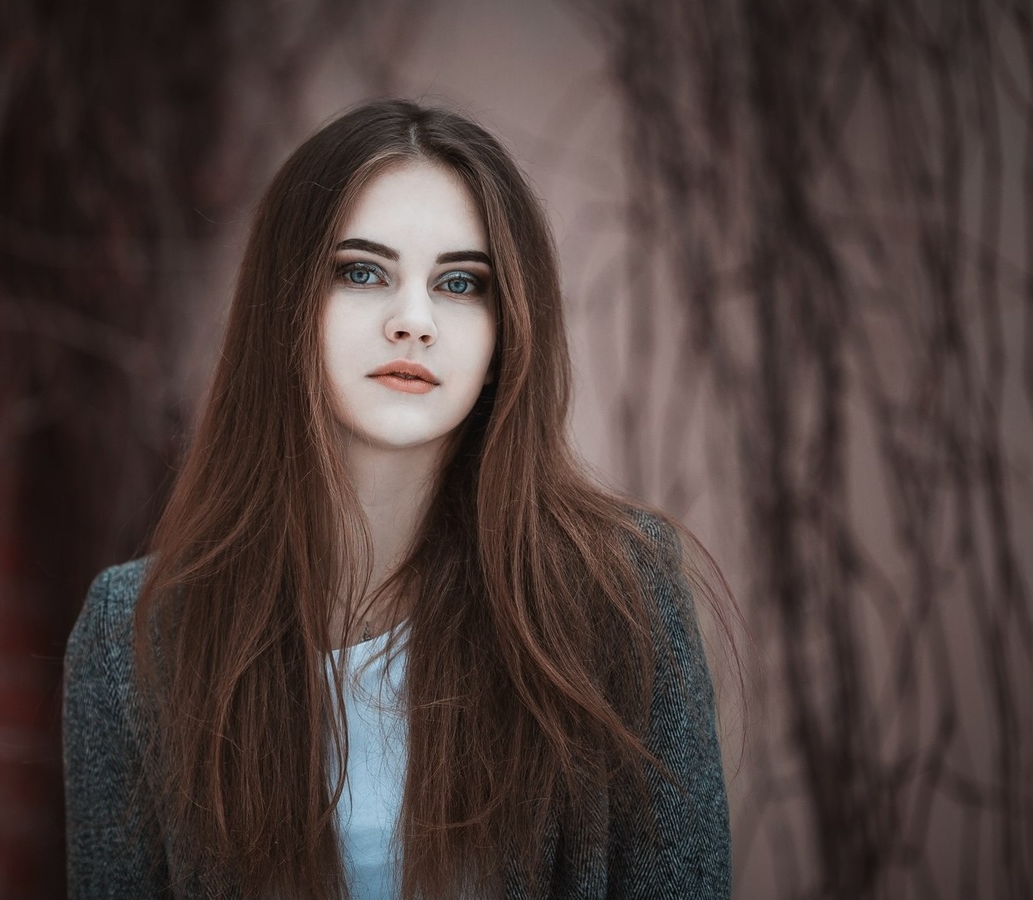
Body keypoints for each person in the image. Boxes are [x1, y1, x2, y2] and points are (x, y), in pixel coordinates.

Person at [63, 99, 731, 899]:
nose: (413, 322)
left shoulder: (618, 598)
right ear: (286, 308)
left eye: (460, 283)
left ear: (506, 330)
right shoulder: (135, 640)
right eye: (362, 271)